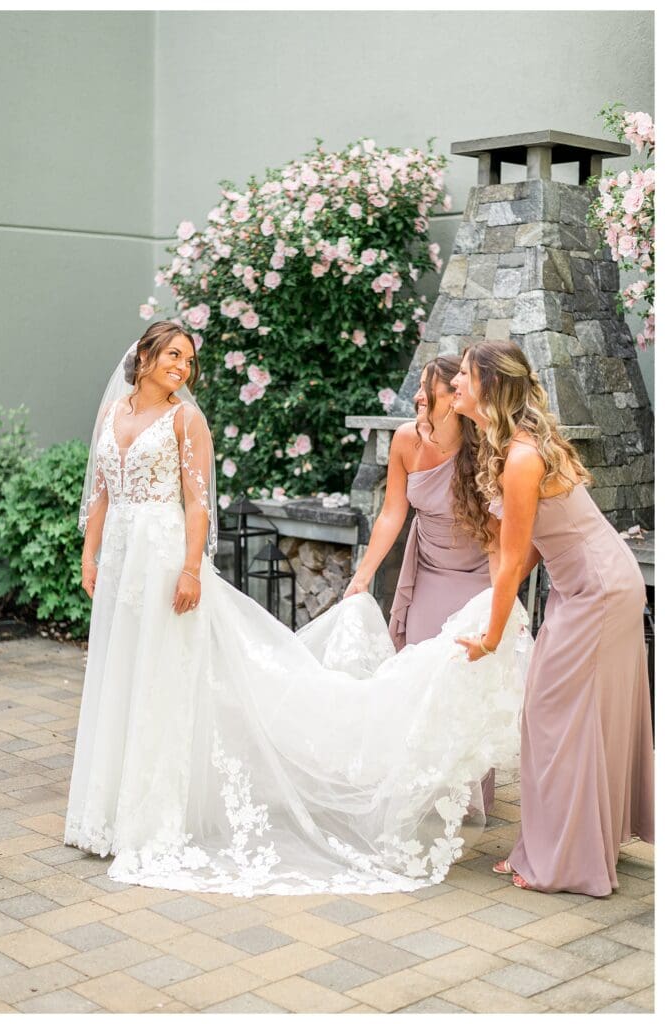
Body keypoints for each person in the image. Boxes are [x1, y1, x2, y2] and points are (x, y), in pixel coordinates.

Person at [64, 323, 531, 898]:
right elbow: (103, 491)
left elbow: (197, 503)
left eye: (189, 358)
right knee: (120, 674)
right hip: (123, 563)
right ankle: (105, 808)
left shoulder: (188, 419)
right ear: (145, 355)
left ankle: (153, 814)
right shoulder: (114, 414)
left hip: (166, 559)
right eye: (174, 355)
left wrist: (190, 569)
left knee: (163, 678)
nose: (183, 366)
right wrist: (92, 553)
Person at [451, 339, 654, 897]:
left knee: (551, 716)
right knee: (566, 716)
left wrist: (492, 636)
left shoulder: (520, 456)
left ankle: (564, 860)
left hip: (597, 589)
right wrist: (493, 603)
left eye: (463, 375)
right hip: (586, 583)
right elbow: (535, 545)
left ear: (489, 386)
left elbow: (516, 558)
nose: (454, 385)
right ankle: (571, 842)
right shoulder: (512, 446)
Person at [345, 356, 496, 812]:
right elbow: (393, 512)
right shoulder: (406, 440)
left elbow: (501, 533)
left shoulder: (485, 446)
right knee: (418, 669)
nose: (416, 397)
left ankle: (467, 795)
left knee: (465, 674)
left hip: (478, 572)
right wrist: (363, 575)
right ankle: (423, 784)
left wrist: (496, 602)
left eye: (426, 391)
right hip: (428, 568)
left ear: (454, 398)